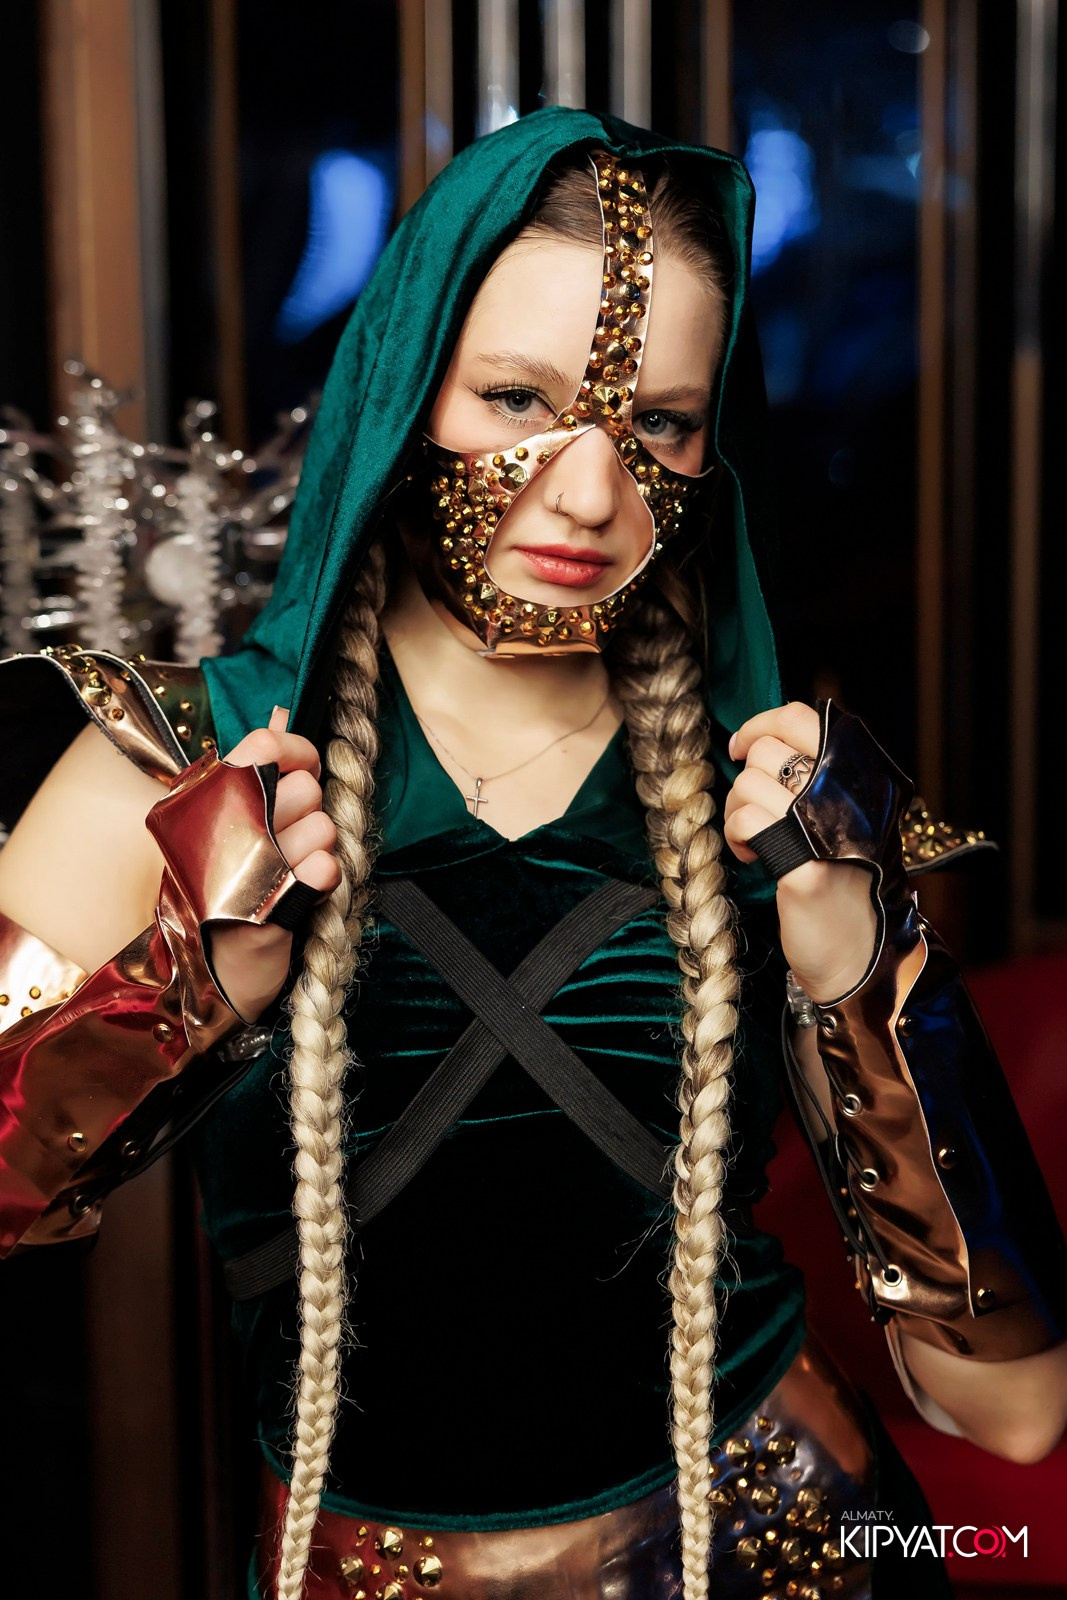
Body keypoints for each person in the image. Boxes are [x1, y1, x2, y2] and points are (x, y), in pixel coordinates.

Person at [2, 107, 1066, 1600]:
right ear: (402, 391)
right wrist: (176, 997)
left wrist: (863, 971)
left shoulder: (772, 794)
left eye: (662, 426)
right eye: (517, 399)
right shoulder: (186, 763)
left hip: (780, 1550)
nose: (587, 493)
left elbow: (1011, 1415)